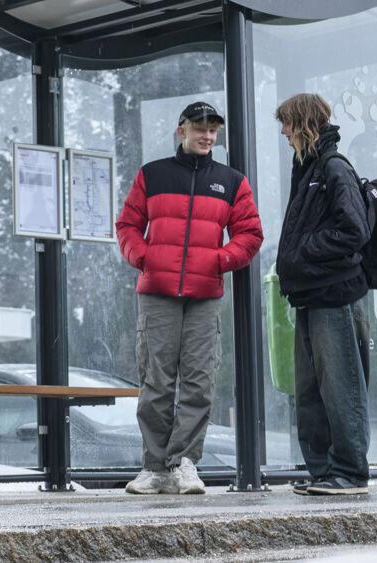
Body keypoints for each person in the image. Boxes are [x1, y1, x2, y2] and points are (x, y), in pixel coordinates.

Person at [114, 101, 263, 494]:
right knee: (156, 381)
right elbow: (128, 224)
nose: (207, 136)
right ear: (181, 131)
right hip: (157, 294)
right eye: (200, 128)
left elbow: (250, 234)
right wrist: (143, 257)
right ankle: (154, 469)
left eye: (213, 130)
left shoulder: (232, 181)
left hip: (205, 296)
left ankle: (184, 464)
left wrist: (220, 260)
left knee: (199, 382)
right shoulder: (153, 174)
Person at [274, 93, 373, 496]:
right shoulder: (309, 168)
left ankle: (349, 472)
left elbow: (354, 231)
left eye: (286, 124)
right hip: (311, 295)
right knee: (310, 388)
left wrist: (302, 251)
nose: (283, 132)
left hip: (335, 295)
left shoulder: (333, 168)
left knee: (341, 386)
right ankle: (323, 472)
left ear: (303, 124)